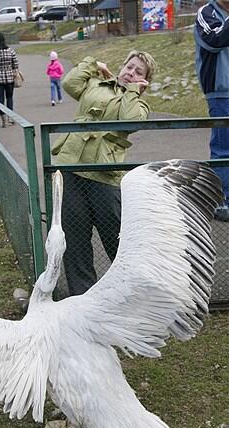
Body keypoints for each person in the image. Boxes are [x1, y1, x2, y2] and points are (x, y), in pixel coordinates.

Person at [51, 51, 156, 295]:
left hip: (104, 176)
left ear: (145, 81)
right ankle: (82, 297)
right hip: (72, 167)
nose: (131, 73)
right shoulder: (96, 85)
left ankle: (131, 292)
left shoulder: (139, 104)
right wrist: (93, 64)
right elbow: (69, 83)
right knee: (75, 240)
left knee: (116, 238)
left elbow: (129, 122)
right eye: (129, 67)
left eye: (138, 72)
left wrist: (132, 91)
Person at [194, 0, 229, 222]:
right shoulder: (206, 12)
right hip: (221, 91)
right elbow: (214, 40)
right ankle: (222, 201)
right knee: (223, 149)